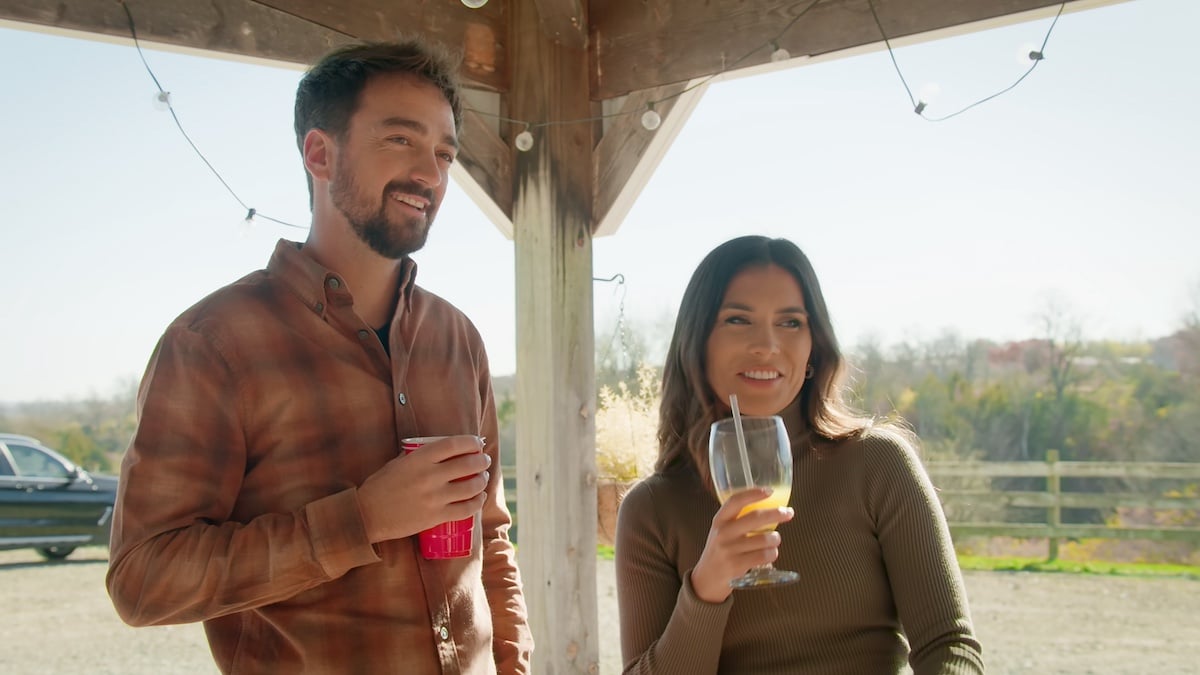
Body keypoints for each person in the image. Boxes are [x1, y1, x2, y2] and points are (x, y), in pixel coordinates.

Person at [106, 39, 533, 674]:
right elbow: (143, 580)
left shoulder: (458, 338)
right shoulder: (213, 343)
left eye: (444, 153)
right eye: (400, 140)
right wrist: (361, 519)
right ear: (319, 153)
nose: (430, 173)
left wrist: (515, 663)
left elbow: (490, 536)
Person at [615, 235, 984, 674]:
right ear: (697, 342)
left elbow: (950, 645)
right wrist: (706, 588)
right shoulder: (651, 510)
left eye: (791, 323)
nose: (767, 345)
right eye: (737, 319)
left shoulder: (879, 464)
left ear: (814, 348)